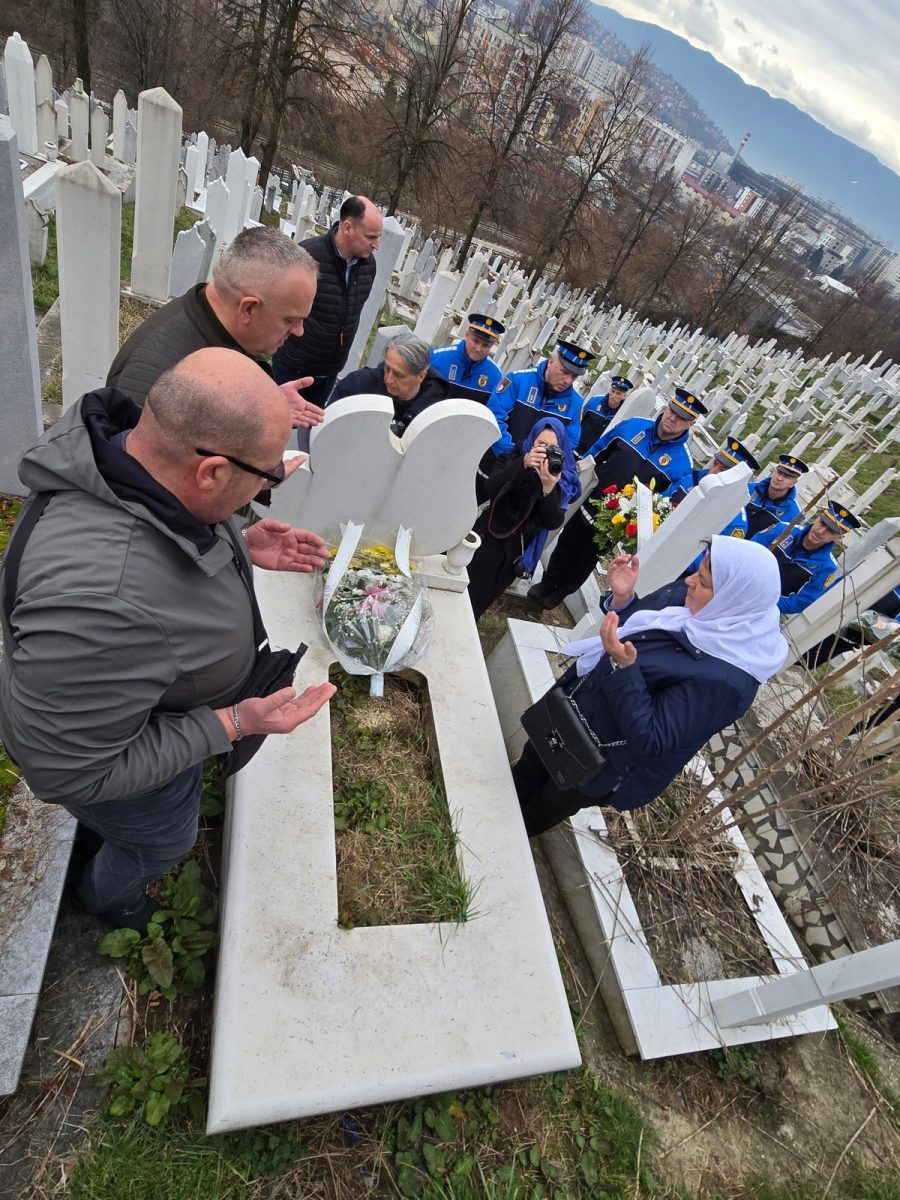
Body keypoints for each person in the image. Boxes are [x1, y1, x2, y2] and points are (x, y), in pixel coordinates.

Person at [0, 348, 336, 931]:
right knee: (161, 842)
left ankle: (104, 840)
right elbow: (69, 774)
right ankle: (107, 898)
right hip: (123, 770)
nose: (267, 488)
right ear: (212, 473)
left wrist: (237, 542)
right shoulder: (102, 606)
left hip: (135, 714)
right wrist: (233, 723)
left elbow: (163, 535)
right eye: (266, 477)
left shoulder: (136, 460)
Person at [514, 537, 787, 836]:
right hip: (575, 712)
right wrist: (624, 599)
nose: (690, 581)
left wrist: (623, 668)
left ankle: (504, 839)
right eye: (698, 571)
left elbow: (653, 738)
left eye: (704, 582)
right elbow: (643, 631)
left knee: (542, 805)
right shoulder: (699, 607)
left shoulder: (727, 680)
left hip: (598, 761)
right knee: (528, 766)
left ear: (733, 600)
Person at [107, 226, 324, 431]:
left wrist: (264, 402)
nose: (299, 331)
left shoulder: (223, 326)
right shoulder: (153, 381)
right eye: (290, 320)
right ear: (248, 309)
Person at [527, 387, 706, 611]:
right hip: (591, 500)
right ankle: (547, 582)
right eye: (672, 410)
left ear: (691, 424)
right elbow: (598, 451)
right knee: (567, 542)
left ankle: (561, 591)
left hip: (617, 524)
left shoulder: (682, 464)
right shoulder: (633, 426)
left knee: (586, 560)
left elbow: (664, 503)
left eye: (682, 418)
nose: (673, 418)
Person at [271, 195, 383, 407]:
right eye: (371, 237)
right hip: (294, 366)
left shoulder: (368, 266)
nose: (376, 245)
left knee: (311, 423)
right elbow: (282, 308)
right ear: (348, 228)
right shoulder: (307, 256)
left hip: (331, 369)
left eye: (378, 237)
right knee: (278, 419)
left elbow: (352, 313)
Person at [467, 418, 580, 622]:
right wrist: (523, 464)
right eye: (541, 444)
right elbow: (490, 488)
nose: (545, 452)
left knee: (479, 600)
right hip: (486, 533)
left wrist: (548, 488)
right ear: (531, 441)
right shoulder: (512, 457)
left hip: (512, 552)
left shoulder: (560, 477)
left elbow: (553, 522)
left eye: (552, 447)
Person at [328, 331, 457, 437]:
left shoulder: (435, 407)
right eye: (387, 368)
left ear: (420, 377)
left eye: (398, 375)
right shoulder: (358, 385)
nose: (388, 379)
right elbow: (328, 427)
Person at [485, 340, 595, 462]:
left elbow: (568, 442)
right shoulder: (517, 381)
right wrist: (516, 458)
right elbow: (495, 419)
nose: (568, 381)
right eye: (565, 372)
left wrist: (541, 463)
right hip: (497, 460)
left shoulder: (576, 402)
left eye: (574, 376)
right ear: (551, 362)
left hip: (536, 469)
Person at [752, 501, 861, 615]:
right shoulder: (783, 530)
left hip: (762, 609)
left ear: (839, 537)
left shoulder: (827, 567)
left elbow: (801, 601)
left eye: (831, 531)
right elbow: (750, 551)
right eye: (822, 523)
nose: (820, 532)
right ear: (817, 519)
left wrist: (763, 602)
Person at [672, 436, 761, 539]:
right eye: (715, 464)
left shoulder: (735, 522)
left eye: (722, 470)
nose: (712, 471)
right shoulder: (690, 480)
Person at [430, 314, 505, 394]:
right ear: (466, 335)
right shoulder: (436, 358)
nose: (478, 349)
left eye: (485, 345)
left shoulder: (495, 375)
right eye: (475, 341)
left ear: (492, 345)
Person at [745, 453, 809, 538]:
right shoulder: (748, 488)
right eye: (779, 472)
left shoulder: (794, 514)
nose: (779, 478)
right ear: (774, 472)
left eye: (787, 477)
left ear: (794, 483)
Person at [575, 376, 633, 456]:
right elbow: (577, 421)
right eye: (612, 391)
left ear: (624, 396)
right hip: (575, 447)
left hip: (594, 456)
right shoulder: (594, 401)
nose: (614, 396)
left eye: (618, 393)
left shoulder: (622, 416)